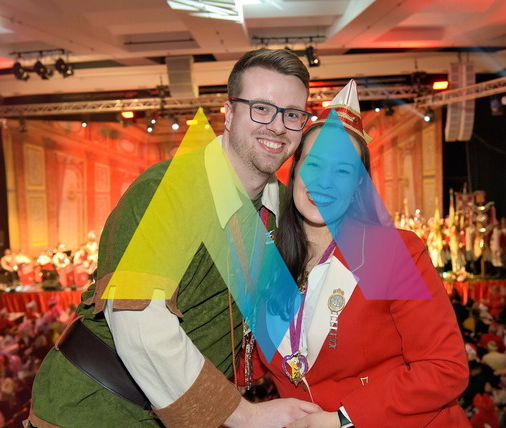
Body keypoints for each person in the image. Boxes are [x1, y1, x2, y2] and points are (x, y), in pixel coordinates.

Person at [28, 48, 322, 427]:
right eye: (261, 108)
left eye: (293, 115)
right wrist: (244, 415)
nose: (278, 127)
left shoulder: (282, 206)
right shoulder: (166, 190)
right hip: (93, 409)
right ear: (229, 113)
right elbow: (140, 328)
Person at [239, 81, 469, 427]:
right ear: (295, 170)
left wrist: (344, 419)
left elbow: (444, 367)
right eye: (314, 165)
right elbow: (247, 363)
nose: (324, 183)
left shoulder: (388, 253)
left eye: (344, 171)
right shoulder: (269, 262)